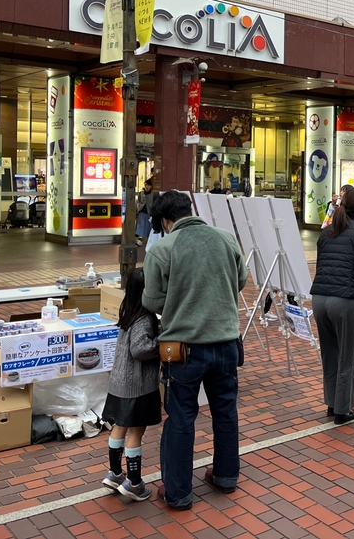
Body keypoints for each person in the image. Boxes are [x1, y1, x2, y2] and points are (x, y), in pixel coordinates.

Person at [143, 190, 248, 510]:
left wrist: (180, 300)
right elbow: (241, 280)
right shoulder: (226, 238)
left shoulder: (163, 249)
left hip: (184, 348)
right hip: (227, 342)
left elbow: (152, 300)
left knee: (181, 418)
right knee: (226, 411)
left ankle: (178, 492)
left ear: (164, 220)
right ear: (190, 209)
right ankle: (226, 476)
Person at [311, 188, 354, 424]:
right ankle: (343, 409)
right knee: (347, 357)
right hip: (346, 300)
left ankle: (332, 403)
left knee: (329, 354)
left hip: (319, 298)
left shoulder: (327, 232)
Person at [101, 268, 161, 501]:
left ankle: (115, 473)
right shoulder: (144, 318)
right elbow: (140, 349)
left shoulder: (128, 310)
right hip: (138, 386)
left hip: (118, 384)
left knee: (119, 427)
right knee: (136, 431)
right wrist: (161, 341)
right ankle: (134, 483)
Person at [135, 179, 155, 246]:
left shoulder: (153, 194)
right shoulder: (141, 193)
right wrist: (138, 207)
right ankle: (140, 239)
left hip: (149, 212)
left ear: (151, 186)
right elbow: (138, 201)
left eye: (148, 185)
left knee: (149, 226)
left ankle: (149, 240)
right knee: (140, 225)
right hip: (142, 211)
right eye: (146, 185)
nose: (147, 186)